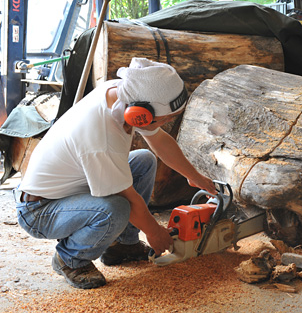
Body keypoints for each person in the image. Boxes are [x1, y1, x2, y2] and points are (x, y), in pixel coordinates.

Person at [13, 57, 216, 289]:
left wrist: (195, 176)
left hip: (72, 190)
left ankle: (123, 246)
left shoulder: (124, 94)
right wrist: (154, 232)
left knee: (144, 160)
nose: (169, 122)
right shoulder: (100, 136)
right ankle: (70, 260)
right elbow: (127, 198)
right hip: (40, 210)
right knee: (116, 209)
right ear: (141, 114)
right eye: (167, 118)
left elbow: (159, 140)